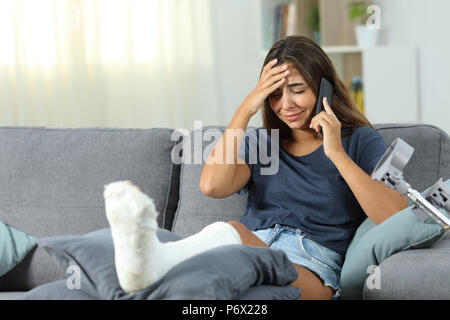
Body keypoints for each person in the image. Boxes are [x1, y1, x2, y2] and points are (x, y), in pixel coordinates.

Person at [104, 36, 408, 300]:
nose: (285, 104)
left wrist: (336, 153)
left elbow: (394, 215)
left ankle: (154, 256)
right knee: (225, 285)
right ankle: (153, 261)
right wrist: (245, 109)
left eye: (297, 89)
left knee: (233, 247)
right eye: (274, 93)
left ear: (323, 89)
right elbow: (212, 186)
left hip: (312, 265)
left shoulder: (359, 140)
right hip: (249, 246)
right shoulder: (264, 142)